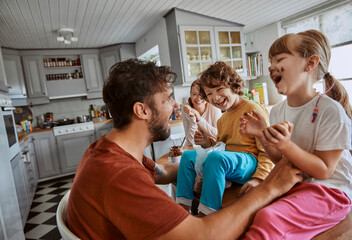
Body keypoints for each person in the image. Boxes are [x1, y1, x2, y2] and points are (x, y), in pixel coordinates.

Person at [66, 58, 302, 240]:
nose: (176, 106)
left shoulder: (104, 151)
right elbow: (203, 236)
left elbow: (161, 171)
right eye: (167, 99)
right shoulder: (120, 175)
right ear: (142, 111)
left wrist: (197, 168)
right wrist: (270, 188)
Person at [239, 29, 352, 239]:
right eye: (271, 61)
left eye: (280, 59)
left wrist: (286, 145)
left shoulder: (330, 111)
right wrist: (262, 135)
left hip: (332, 191)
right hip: (298, 184)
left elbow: (323, 171)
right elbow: (281, 160)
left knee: (269, 218)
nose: (271, 66)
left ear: (310, 63)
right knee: (247, 210)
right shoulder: (277, 111)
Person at [176, 61, 275, 216]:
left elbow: (267, 149)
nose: (215, 97)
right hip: (229, 162)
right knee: (188, 155)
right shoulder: (223, 119)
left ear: (233, 85)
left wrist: (259, 179)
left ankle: (206, 214)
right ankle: (182, 209)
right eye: (209, 94)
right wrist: (207, 143)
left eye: (220, 88)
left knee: (216, 158)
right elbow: (221, 146)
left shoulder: (252, 109)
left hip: (249, 163)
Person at [181, 79, 222, 146]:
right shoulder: (186, 108)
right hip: (193, 149)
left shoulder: (214, 106)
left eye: (202, 95)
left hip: (212, 147)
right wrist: (192, 118)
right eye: (194, 94)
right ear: (190, 94)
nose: (198, 98)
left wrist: (199, 119)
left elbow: (218, 135)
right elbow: (190, 141)